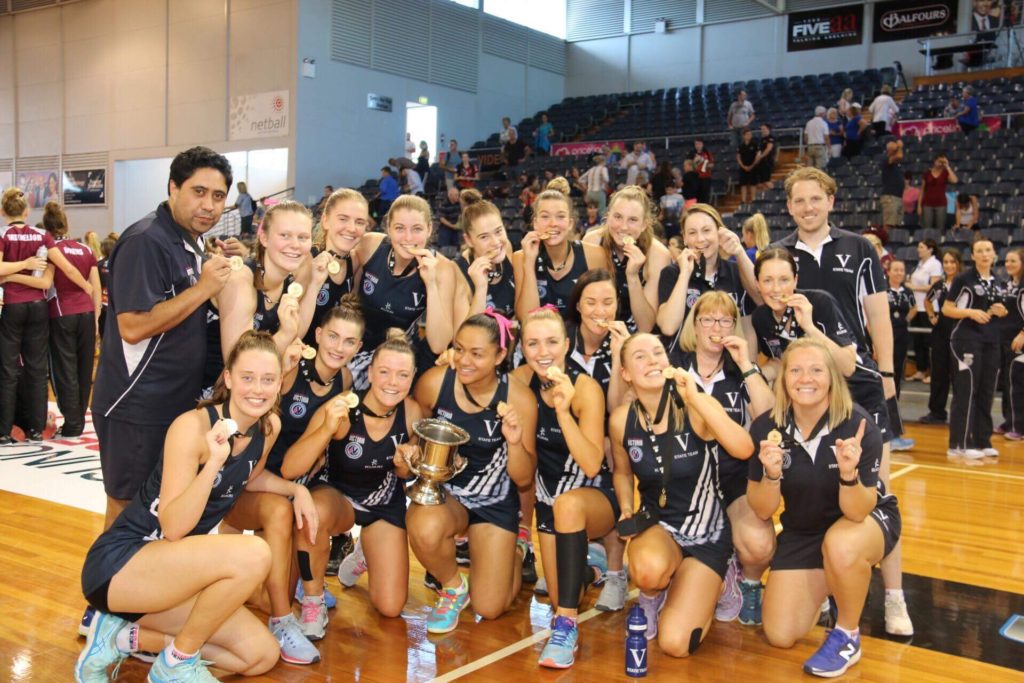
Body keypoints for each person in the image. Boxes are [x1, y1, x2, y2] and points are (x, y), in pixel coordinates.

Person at [75, 331, 316, 681]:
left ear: (280, 383)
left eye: (267, 380)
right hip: (122, 566)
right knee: (255, 554)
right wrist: (214, 462)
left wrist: (296, 490)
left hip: (174, 575)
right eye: (247, 378)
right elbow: (174, 528)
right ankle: (177, 662)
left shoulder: (269, 426)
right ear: (229, 378)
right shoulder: (191, 427)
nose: (257, 389)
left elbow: (250, 477)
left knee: (260, 655)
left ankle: (121, 637)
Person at [770, 167, 911, 636]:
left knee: (878, 496)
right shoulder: (780, 255)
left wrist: (887, 374)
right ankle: (828, 592)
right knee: (820, 495)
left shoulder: (860, 248)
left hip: (859, 384)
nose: (807, 207)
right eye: (799, 200)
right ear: (788, 207)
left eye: (816, 199)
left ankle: (894, 596)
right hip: (808, 391)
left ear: (831, 201)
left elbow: (878, 317)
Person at [90, 147, 234, 532]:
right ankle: (108, 575)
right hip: (136, 405)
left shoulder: (187, 241)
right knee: (127, 510)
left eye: (218, 196)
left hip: (170, 403)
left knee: (159, 510)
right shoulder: (146, 240)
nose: (209, 205)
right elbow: (133, 326)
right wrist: (203, 288)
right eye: (198, 192)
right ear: (173, 187)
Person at [748, 338, 901, 679]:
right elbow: (761, 509)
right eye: (796, 371)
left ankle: (847, 634)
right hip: (805, 530)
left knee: (841, 544)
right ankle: (834, 585)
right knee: (780, 634)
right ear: (783, 379)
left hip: (862, 521)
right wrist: (771, 475)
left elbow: (858, 511)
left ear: (831, 377)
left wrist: (848, 476)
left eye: (816, 370)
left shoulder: (857, 425)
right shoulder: (766, 428)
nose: (806, 379)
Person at [610, 333, 754, 655]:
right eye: (640, 356)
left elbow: (744, 449)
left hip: (707, 534)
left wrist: (697, 398)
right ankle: (652, 596)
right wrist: (625, 506)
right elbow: (622, 471)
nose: (652, 360)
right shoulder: (621, 420)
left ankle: (723, 579)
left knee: (675, 644)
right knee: (647, 570)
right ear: (626, 374)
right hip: (659, 527)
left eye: (657, 352)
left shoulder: (695, 406)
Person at [283, 329, 421, 626]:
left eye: (402, 375)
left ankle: (364, 553)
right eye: (384, 372)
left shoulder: (412, 412)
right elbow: (289, 469)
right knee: (311, 513)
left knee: (390, 607)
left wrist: (404, 464)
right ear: (369, 372)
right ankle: (313, 601)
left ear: (412, 378)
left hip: (382, 505)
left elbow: (406, 474)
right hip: (338, 498)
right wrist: (326, 429)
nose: (392, 382)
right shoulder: (344, 407)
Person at [409, 313, 538, 633]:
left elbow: (524, 479)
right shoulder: (434, 382)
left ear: (500, 356)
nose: (464, 360)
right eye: (459, 349)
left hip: (494, 502)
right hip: (449, 495)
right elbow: (415, 438)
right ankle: (453, 588)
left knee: (490, 607)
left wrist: (515, 442)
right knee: (423, 525)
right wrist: (408, 453)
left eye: (477, 354)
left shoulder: (519, 398)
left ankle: (517, 549)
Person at [506, 308, 615, 668]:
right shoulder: (519, 382)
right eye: (533, 343)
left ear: (567, 345)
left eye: (552, 342)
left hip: (593, 496)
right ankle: (590, 566)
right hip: (547, 499)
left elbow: (592, 463)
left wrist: (563, 412)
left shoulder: (585, 388)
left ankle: (565, 626)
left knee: (568, 506)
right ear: (522, 347)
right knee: (559, 593)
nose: (543, 352)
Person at [673, 292, 775, 627]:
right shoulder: (675, 367)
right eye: (708, 320)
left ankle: (749, 584)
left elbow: (768, 416)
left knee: (759, 543)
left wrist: (746, 363)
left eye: (725, 321)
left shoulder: (740, 371)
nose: (716, 327)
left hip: (731, 480)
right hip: (683, 483)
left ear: (734, 326)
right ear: (695, 325)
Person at [0, 191, 90, 444]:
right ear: (27, 211)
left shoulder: (3, 234)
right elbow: (67, 268)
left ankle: (4, 431)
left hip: (13, 305)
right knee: (37, 369)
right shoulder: (42, 236)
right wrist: (87, 287)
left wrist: (19, 266)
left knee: (9, 369)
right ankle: (36, 429)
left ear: (3, 212)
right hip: (38, 307)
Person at [351, 195, 456, 387]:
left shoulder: (442, 268)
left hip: (399, 353)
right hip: (355, 346)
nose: (408, 238)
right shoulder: (369, 245)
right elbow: (347, 298)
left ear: (429, 229)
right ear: (388, 228)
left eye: (417, 229)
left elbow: (438, 344)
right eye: (399, 228)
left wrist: (431, 284)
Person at [210, 201, 315, 392]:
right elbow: (239, 364)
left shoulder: (288, 284)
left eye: (303, 237)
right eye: (285, 235)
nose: (295, 245)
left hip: (250, 393)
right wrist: (285, 335)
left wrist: (315, 283)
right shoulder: (240, 280)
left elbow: (295, 333)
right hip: (207, 394)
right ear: (264, 238)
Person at [657, 204, 759, 359]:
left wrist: (739, 252)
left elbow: (749, 323)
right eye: (692, 232)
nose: (700, 239)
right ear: (684, 238)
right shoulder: (672, 273)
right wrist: (685, 274)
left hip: (727, 367)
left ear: (719, 232)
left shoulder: (736, 272)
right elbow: (668, 327)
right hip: (683, 364)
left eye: (706, 230)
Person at [943, 238, 1007, 464]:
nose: (984, 254)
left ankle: (982, 440)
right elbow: (947, 308)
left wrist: (1000, 311)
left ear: (994, 253)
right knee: (967, 391)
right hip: (966, 340)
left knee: (986, 391)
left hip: (991, 341)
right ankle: (959, 444)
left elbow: (999, 310)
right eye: (979, 250)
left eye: (988, 250)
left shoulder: (999, 281)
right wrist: (970, 312)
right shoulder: (963, 279)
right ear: (973, 256)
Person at [41, 202, 101, 438]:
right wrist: (96, 319)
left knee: (64, 369)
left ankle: (73, 422)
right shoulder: (85, 249)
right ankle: (78, 418)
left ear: (47, 228)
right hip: (87, 314)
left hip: (61, 313)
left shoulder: (50, 249)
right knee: (84, 368)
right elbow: (96, 287)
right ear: (66, 224)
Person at [512, 183, 609, 320]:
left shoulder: (594, 255)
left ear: (570, 223)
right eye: (545, 217)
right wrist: (529, 264)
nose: (553, 223)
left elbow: (603, 311)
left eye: (560, 216)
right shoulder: (521, 258)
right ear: (535, 223)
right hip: (540, 332)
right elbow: (525, 318)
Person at [583, 185, 672, 333]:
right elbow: (586, 304)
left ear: (644, 225)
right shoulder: (592, 242)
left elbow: (646, 326)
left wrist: (632, 277)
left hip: (637, 338)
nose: (623, 227)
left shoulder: (658, 254)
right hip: (597, 329)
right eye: (618, 217)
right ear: (608, 216)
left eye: (632, 220)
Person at [304, 189, 370, 348]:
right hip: (297, 356)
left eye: (359, 222)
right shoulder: (305, 261)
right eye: (343, 219)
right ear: (325, 220)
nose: (352, 228)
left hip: (334, 355)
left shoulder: (356, 262)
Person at [453, 190, 516, 322]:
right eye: (484, 237)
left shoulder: (506, 248)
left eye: (498, 231)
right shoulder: (457, 271)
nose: (496, 242)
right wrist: (481, 288)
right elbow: (464, 333)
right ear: (469, 240)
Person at [920, 248, 963, 425]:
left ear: (959, 263)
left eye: (952, 262)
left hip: (960, 334)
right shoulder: (939, 285)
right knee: (938, 374)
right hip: (940, 334)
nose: (949, 265)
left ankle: (961, 413)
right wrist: (931, 315)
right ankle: (937, 412)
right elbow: (927, 300)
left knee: (960, 376)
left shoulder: (965, 283)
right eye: (946, 262)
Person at [886, 260, 917, 451]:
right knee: (884, 379)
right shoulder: (882, 289)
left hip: (901, 336)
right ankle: (887, 431)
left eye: (901, 270)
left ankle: (893, 427)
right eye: (895, 270)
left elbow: (914, 307)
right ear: (888, 272)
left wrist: (906, 319)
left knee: (896, 379)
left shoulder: (907, 292)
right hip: (884, 336)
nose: (898, 273)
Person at [906, 240, 943, 383]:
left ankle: (933, 372)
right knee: (918, 341)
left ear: (930, 249)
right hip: (917, 307)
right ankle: (921, 370)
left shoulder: (935, 264)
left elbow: (935, 286)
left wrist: (913, 287)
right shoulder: (919, 264)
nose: (918, 249)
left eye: (921, 247)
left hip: (929, 307)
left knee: (929, 341)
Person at [998, 248, 1024, 439]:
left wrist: (1022, 334)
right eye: (1007, 261)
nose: (1008, 264)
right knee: (1007, 382)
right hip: (1004, 339)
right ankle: (1009, 421)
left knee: (1018, 383)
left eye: (1013, 261)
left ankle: (1019, 427)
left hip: (1019, 340)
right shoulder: (1007, 285)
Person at [919, 154, 958, 232]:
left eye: (942, 162)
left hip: (941, 204)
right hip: (927, 204)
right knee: (926, 229)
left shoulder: (945, 173)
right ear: (935, 161)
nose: (941, 163)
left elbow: (955, 180)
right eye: (939, 161)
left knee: (940, 229)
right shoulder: (927, 173)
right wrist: (919, 206)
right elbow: (922, 190)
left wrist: (947, 166)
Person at [880, 140, 905, 227]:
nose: (897, 150)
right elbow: (900, 156)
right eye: (895, 149)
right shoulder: (886, 159)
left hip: (898, 197)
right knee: (889, 224)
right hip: (890, 197)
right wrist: (900, 146)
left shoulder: (897, 165)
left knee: (897, 225)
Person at [736, 129, 760, 204]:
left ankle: (753, 199)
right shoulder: (741, 146)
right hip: (743, 167)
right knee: (743, 184)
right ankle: (743, 200)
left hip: (753, 167)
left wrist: (752, 165)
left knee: (753, 184)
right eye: (747, 134)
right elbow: (738, 157)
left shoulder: (755, 144)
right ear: (744, 136)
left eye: (750, 134)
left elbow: (758, 156)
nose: (749, 136)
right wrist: (743, 166)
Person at [803, 106, 829, 170]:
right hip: (820, 147)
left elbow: (805, 137)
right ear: (822, 113)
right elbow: (826, 137)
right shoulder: (823, 123)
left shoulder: (809, 123)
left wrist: (808, 145)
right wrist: (828, 147)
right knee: (819, 169)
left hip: (810, 146)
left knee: (810, 168)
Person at [691, 139, 714, 204]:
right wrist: (694, 162)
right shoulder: (692, 154)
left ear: (702, 144)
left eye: (699, 144)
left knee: (705, 197)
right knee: (697, 198)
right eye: (696, 144)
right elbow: (689, 166)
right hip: (695, 178)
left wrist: (704, 163)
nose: (697, 146)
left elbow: (712, 165)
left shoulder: (707, 153)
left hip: (705, 177)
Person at [754, 123, 776, 191]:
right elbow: (759, 151)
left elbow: (768, 149)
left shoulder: (770, 138)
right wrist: (757, 159)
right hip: (761, 162)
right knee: (762, 182)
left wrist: (760, 157)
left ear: (768, 129)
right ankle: (766, 196)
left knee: (766, 180)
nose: (762, 130)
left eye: (764, 129)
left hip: (767, 161)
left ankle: (775, 192)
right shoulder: (761, 140)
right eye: (761, 129)